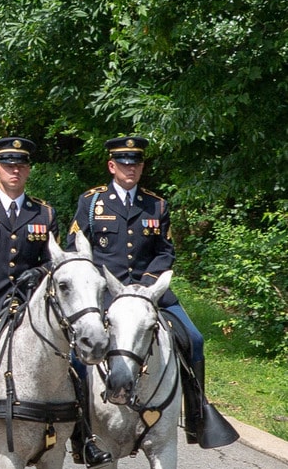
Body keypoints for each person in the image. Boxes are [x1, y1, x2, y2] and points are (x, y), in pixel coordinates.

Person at [0, 137, 112, 466]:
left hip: (28, 306)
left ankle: (84, 439)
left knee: (77, 369)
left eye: (22, 166)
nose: (15, 171)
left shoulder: (44, 212)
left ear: (28, 171)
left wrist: (39, 272)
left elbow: (56, 261)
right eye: (9, 165)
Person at [66, 135, 239, 451]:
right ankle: (81, 431)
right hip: (107, 293)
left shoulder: (156, 204)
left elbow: (165, 252)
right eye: (124, 163)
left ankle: (198, 415)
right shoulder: (90, 203)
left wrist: (146, 285)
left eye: (136, 163)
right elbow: (74, 249)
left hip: (151, 292)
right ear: (112, 166)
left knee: (194, 338)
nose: (130, 169)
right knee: (79, 353)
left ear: (142, 167)